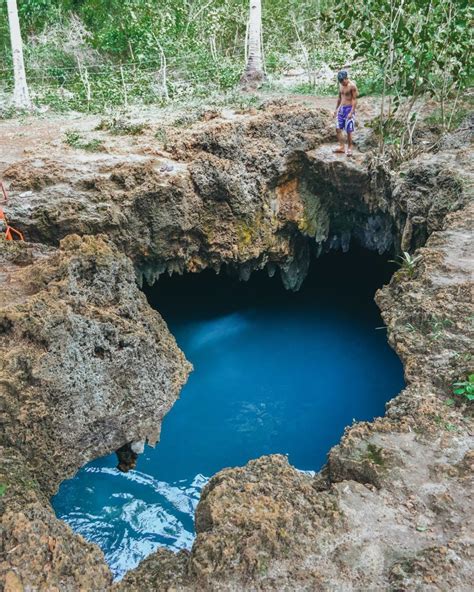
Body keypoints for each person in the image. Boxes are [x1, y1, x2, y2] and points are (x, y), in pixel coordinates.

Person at [333, 70, 357, 157]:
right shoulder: (341, 86)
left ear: (346, 78)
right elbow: (339, 98)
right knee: (338, 128)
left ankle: (350, 147)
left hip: (349, 109)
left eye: (343, 81)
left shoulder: (352, 86)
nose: (342, 83)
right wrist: (336, 109)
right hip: (341, 109)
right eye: (340, 82)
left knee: (348, 130)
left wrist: (352, 112)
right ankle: (342, 147)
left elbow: (354, 100)